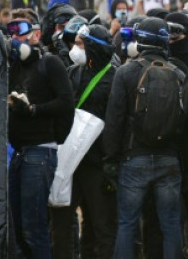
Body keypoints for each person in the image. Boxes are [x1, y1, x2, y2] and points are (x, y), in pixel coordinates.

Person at [103, 17, 184, 259]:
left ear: (140, 42)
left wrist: (110, 159)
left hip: (133, 160)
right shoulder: (178, 74)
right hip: (169, 160)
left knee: (127, 224)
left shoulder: (125, 73)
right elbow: (186, 122)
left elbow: (114, 120)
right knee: (171, 226)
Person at [6, 9, 74, 259]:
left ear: (35, 35)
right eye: (11, 32)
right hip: (20, 153)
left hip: (40, 151)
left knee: (34, 226)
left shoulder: (50, 63)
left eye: (20, 32)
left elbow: (66, 102)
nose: (15, 38)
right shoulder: (14, 67)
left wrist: (33, 109)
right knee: (18, 227)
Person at [67, 23, 118, 258]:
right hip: (71, 160)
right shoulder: (73, 72)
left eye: (80, 44)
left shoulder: (114, 77)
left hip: (97, 163)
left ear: (93, 49)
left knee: (100, 224)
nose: (74, 49)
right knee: (67, 221)